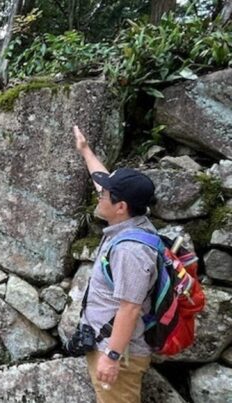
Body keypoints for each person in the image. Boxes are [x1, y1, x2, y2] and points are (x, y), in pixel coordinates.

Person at [73, 125, 158, 402]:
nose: (99, 195)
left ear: (121, 207)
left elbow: (130, 308)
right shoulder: (131, 221)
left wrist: (111, 357)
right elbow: (104, 183)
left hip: (120, 354)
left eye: (104, 195)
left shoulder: (131, 251)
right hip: (110, 345)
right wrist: (85, 150)